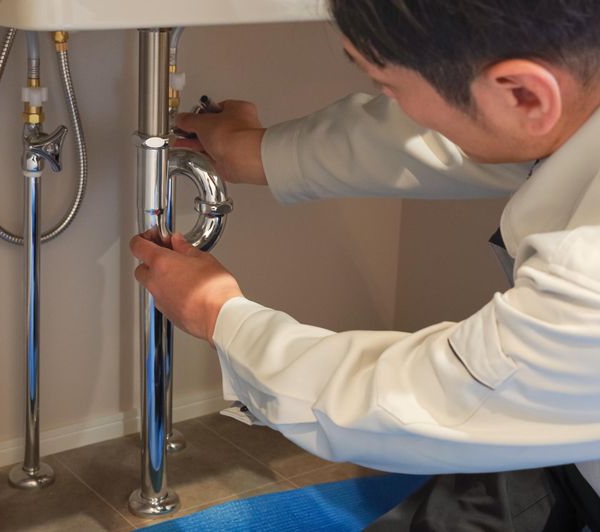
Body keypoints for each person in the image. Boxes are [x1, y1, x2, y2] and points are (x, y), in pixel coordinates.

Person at [130, 1, 600, 529]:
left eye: (389, 88)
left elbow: (420, 400)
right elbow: (470, 140)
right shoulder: (577, 96)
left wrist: (220, 315)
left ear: (525, 94)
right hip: (561, 449)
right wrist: (260, 151)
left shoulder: (590, 280)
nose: (390, 102)